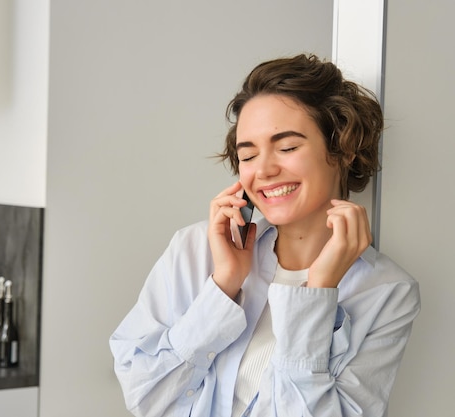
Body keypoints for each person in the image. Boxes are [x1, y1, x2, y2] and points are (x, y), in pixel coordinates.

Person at [109, 53, 420, 417]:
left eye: (287, 147)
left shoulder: (387, 292)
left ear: (343, 148)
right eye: (249, 154)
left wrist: (318, 295)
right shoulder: (195, 250)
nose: (265, 170)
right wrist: (223, 286)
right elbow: (146, 398)